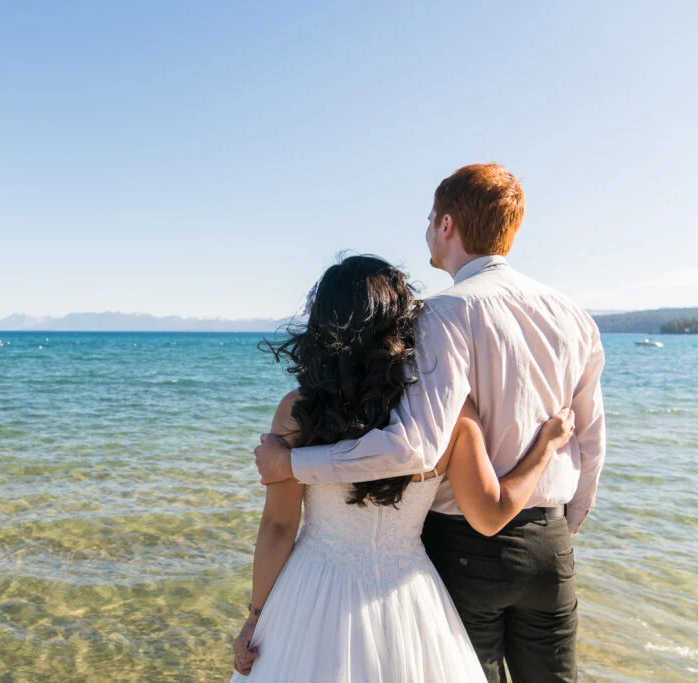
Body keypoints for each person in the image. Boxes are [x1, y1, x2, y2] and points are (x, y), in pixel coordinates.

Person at [253, 164, 606, 682]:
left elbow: (414, 445)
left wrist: (291, 463)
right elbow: (592, 434)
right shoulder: (572, 313)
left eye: (427, 221)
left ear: (446, 225)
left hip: (464, 543)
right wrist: (564, 519)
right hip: (545, 539)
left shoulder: (442, 312)